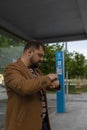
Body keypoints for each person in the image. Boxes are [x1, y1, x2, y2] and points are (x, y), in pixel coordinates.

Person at [3, 40, 60, 130]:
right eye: (40, 55)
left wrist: (56, 84)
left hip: (42, 122)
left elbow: (41, 85)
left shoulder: (36, 71)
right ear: (29, 52)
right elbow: (24, 87)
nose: (42, 59)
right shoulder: (11, 69)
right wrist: (48, 78)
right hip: (24, 125)